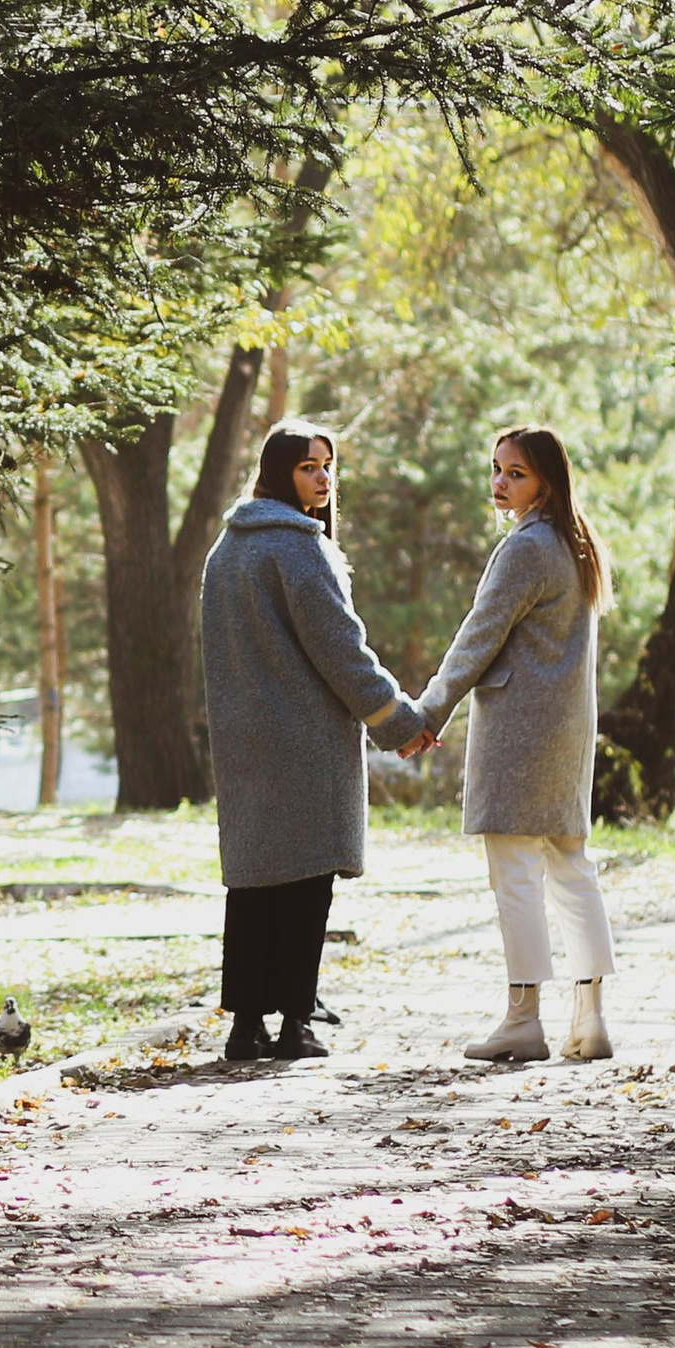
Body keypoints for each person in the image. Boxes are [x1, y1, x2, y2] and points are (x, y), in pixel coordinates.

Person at [200, 422, 431, 1062]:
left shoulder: (227, 550)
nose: (323, 478)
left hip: (245, 743)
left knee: (252, 885)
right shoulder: (300, 549)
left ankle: (245, 1027)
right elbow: (343, 653)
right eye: (308, 466)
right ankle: (295, 1025)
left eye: (329, 465)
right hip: (304, 745)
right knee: (305, 886)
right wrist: (400, 721)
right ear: (279, 472)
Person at [413, 424, 617, 1064]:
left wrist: (429, 712)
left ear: (546, 482)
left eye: (516, 473)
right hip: (566, 732)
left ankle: (523, 1018)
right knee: (572, 869)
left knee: (516, 873)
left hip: (520, 731)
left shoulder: (526, 548)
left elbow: (477, 638)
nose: (499, 482)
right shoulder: (575, 544)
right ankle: (591, 1019)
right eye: (496, 469)